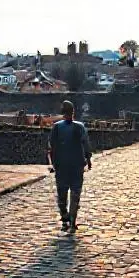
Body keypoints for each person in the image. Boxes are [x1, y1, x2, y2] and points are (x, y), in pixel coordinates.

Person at [47, 100, 93, 233]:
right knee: (75, 194)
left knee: (62, 195)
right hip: (76, 166)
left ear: (63, 112)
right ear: (73, 112)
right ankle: (72, 221)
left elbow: (51, 147)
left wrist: (53, 163)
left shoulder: (57, 127)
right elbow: (86, 145)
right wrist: (88, 159)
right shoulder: (79, 127)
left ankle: (65, 219)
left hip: (61, 166)